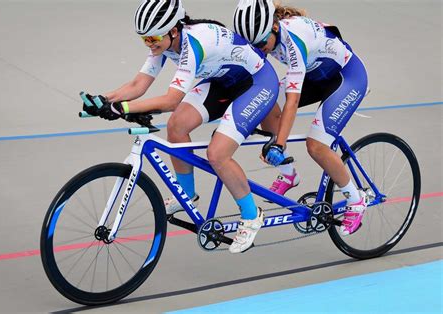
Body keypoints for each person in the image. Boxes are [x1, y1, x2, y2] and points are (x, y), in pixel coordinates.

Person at [82, 0, 280, 253]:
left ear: (174, 30)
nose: (150, 45)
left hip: (256, 83)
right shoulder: (163, 44)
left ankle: (252, 216)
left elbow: (171, 100)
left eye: (153, 38)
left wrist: (125, 109)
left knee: (217, 154)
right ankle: (186, 194)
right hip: (224, 81)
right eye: (144, 40)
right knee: (177, 126)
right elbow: (137, 85)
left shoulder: (193, 44)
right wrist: (103, 100)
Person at [233, 0, 369, 236]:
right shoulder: (266, 35)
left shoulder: (294, 41)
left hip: (346, 78)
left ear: (274, 27)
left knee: (316, 145)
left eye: (263, 43)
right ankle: (289, 174)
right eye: (255, 46)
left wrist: (279, 143)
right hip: (315, 74)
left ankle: (356, 200)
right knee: (266, 99)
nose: (261, 49)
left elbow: (293, 102)